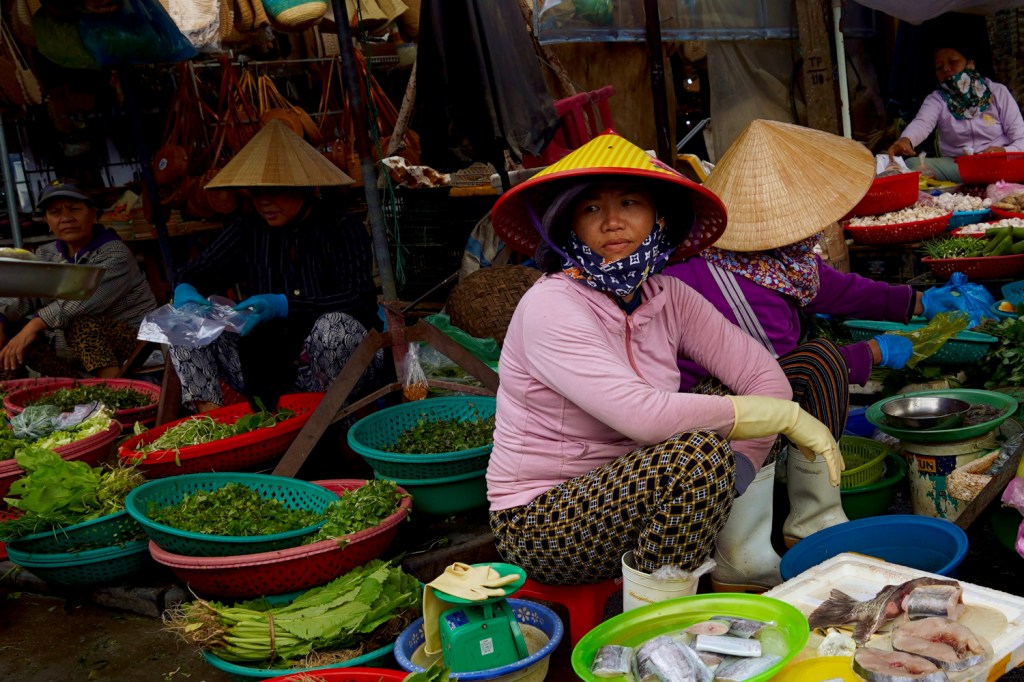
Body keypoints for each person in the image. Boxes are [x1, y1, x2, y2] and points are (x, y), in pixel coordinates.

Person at [485, 131, 843, 586]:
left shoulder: (667, 294)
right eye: (591, 208)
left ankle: (754, 552)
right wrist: (783, 420)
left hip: (640, 481)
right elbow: (643, 417)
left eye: (630, 203)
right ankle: (663, 617)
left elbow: (761, 375)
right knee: (698, 456)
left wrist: (737, 474)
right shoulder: (552, 306)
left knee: (804, 366)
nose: (613, 222)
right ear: (568, 225)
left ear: (658, 217)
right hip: (544, 518)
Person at [664, 119, 964, 592]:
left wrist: (916, 302)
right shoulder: (721, 279)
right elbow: (770, 372)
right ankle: (739, 556)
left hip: (749, 395)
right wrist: (872, 352)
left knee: (818, 362)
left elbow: (832, 287)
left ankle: (814, 523)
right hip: (700, 418)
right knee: (817, 364)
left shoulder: (771, 260)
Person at [168, 120, 381, 412]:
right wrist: (185, 287)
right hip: (267, 366)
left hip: (334, 363)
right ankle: (216, 424)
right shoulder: (248, 228)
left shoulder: (341, 226)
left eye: (275, 191)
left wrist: (285, 305)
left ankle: (340, 425)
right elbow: (200, 270)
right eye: (256, 193)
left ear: (304, 188)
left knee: (333, 326)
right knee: (182, 321)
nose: (264, 202)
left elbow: (359, 299)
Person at [0, 180, 157, 379]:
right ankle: (60, 388)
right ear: (48, 222)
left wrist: (35, 325)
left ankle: (119, 392)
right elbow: (22, 292)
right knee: (10, 326)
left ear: (93, 215)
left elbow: (84, 299)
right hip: (70, 351)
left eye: (74, 209)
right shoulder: (46, 254)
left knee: (81, 324)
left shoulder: (115, 253)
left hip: (132, 344)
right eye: (55, 213)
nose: (65, 218)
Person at [887, 43, 1024, 182]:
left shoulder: (997, 92)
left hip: (998, 163)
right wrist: (906, 140)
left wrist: (1004, 152)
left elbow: (1021, 138)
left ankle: (983, 180)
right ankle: (980, 181)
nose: (946, 68)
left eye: (953, 62)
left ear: (970, 64)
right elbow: (922, 123)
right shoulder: (937, 99)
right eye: (939, 67)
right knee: (912, 165)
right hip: (959, 166)